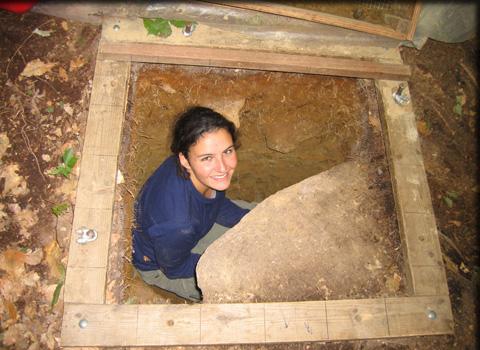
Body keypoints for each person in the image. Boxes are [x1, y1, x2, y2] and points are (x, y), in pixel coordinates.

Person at [132, 106, 252, 301]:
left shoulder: (201, 173)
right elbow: (174, 268)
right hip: (162, 265)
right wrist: (228, 260)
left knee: (258, 214)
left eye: (228, 151)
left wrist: (249, 221)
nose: (223, 167)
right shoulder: (179, 224)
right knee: (241, 285)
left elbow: (217, 204)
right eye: (207, 158)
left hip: (186, 231)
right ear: (185, 160)